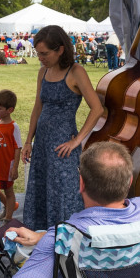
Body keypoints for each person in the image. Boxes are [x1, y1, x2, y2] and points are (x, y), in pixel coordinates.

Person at [0, 141, 140, 278]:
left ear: (81, 183)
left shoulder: (64, 235)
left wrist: (50, 239)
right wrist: (42, 236)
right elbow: (112, 233)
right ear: (130, 181)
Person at [21, 25, 103, 231]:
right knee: (41, 190)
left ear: (60, 50)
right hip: (42, 144)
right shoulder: (43, 71)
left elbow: (97, 109)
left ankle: (65, 241)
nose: (40, 57)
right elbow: (37, 107)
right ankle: (41, 238)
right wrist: (28, 140)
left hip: (62, 146)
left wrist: (77, 141)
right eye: (38, 53)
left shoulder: (76, 72)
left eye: (44, 53)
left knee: (63, 194)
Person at [0, 90, 22, 222]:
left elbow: (17, 148)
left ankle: (8, 218)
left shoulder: (13, 127)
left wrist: (14, 167)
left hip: (7, 167)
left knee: (9, 191)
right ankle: (9, 206)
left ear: (10, 110)